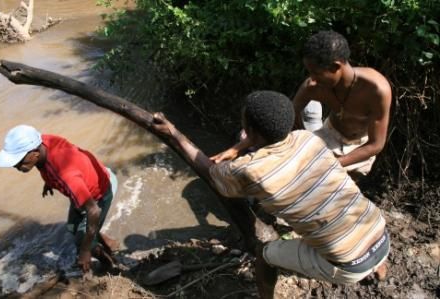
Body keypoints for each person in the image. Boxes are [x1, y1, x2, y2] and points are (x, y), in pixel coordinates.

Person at [152, 91, 390, 299]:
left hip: (349, 266)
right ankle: (380, 270)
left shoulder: (250, 171)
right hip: (380, 232)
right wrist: (245, 144)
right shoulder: (308, 140)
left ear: (250, 131)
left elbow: (209, 171)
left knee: (264, 255)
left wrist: (173, 133)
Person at [212, 31, 392, 180]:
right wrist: (237, 148)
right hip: (328, 135)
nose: (312, 79)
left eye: (316, 73)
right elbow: (277, 123)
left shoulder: (376, 90)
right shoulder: (313, 87)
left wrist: (332, 165)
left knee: (329, 185)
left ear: (336, 67)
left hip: (359, 146)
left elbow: (375, 145)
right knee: (293, 174)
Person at [0, 125, 119, 273]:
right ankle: (109, 244)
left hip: (100, 194)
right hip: (84, 186)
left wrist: (85, 251)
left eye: (18, 161)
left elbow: (94, 211)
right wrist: (49, 182)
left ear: (34, 154)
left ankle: (109, 264)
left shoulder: (66, 176)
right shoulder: (43, 143)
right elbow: (58, 162)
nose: (15, 166)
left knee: (83, 242)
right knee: (73, 227)